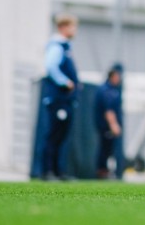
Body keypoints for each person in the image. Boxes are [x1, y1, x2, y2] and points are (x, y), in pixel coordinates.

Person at [40, 12, 80, 180]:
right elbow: (51, 67)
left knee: (62, 135)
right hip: (58, 99)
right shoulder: (57, 46)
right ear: (63, 27)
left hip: (65, 100)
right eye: (72, 26)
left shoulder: (66, 47)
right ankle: (48, 171)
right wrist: (65, 82)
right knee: (54, 134)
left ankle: (58, 171)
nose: (75, 30)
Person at [94, 63, 125, 179]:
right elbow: (109, 111)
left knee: (106, 148)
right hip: (106, 127)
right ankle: (102, 171)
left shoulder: (112, 89)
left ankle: (104, 170)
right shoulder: (107, 91)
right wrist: (114, 125)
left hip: (105, 126)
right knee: (105, 149)